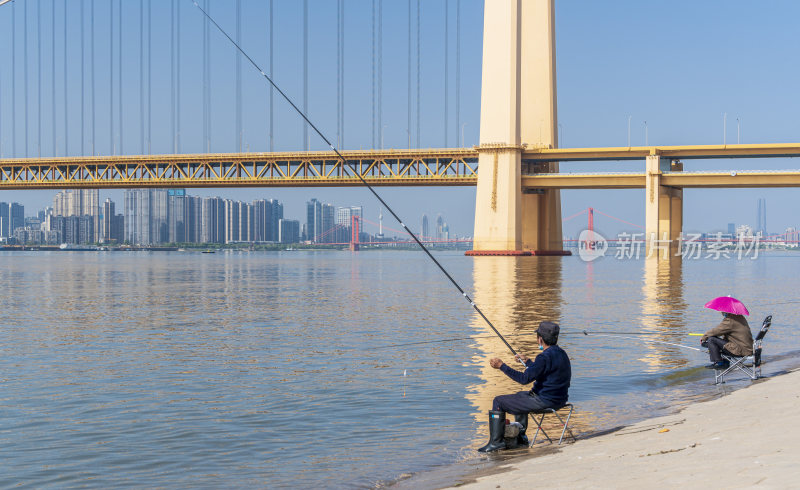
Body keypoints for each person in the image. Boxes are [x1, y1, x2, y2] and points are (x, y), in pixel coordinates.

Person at [477, 321, 571, 453]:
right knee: (520, 396)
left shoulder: (543, 357)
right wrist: (528, 362)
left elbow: (523, 379)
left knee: (498, 401)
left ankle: (496, 442)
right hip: (560, 400)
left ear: (540, 339)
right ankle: (521, 438)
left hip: (545, 401)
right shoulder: (562, 354)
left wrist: (502, 366)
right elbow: (543, 371)